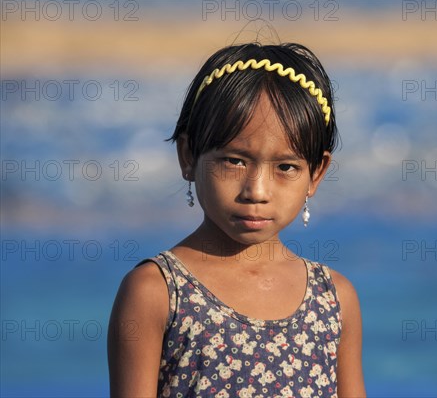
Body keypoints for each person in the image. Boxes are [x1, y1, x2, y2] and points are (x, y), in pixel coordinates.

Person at [108, 42, 365, 397]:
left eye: (286, 167)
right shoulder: (157, 293)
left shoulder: (334, 299)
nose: (256, 191)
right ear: (188, 156)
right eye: (234, 161)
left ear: (316, 174)